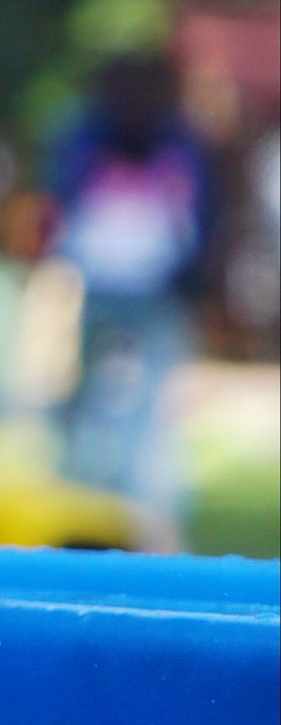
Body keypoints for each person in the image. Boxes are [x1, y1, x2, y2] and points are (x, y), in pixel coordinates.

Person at [49, 53, 215, 504]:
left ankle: (125, 498)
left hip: (150, 288)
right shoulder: (93, 137)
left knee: (145, 404)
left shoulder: (171, 141)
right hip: (117, 285)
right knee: (107, 399)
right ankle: (86, 494)